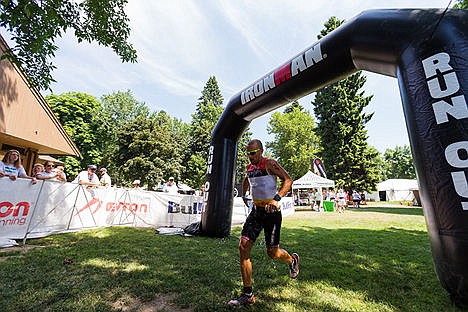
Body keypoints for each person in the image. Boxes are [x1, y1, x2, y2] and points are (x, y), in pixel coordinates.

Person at [228, 139, 299, 307]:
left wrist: (276, 199)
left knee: (272, 253)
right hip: (256, 212)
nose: (250, 157)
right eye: (248, 154)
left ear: (261, 151)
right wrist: (244, 195)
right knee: (243, 246)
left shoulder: (270, 164)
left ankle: (292, 261)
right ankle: (248, 294)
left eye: (253, 153)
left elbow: (288, 180)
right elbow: (247, 180)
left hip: (272, 213)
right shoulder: (249, 168)